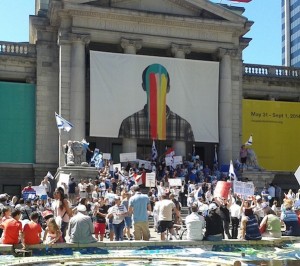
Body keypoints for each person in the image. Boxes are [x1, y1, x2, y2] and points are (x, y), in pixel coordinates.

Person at [118, 63, 194, 141]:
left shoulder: (184, 127)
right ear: (143, 86)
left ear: (168, 88)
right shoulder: (129, 124)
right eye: (152, 83)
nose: (157, 89)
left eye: (162, 84)